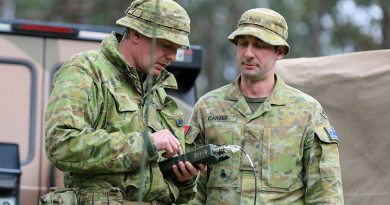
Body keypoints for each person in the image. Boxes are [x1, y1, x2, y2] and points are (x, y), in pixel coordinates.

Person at [43, 0, 203, 204]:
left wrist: (185, 180)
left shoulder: (159, 96)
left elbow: (180, 196)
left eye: (177, 48)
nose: (173, 56)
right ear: (136, 34)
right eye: (166, 45)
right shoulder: (86, 71)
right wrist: (148, 144)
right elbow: (61, 145)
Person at [185, 8, 344, 204]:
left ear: (280, 51)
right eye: (243, 44)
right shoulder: (208, 108)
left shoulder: (307, 112)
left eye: (259, 45)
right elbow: (192, 191)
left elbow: (325, 193)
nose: (248, 53)